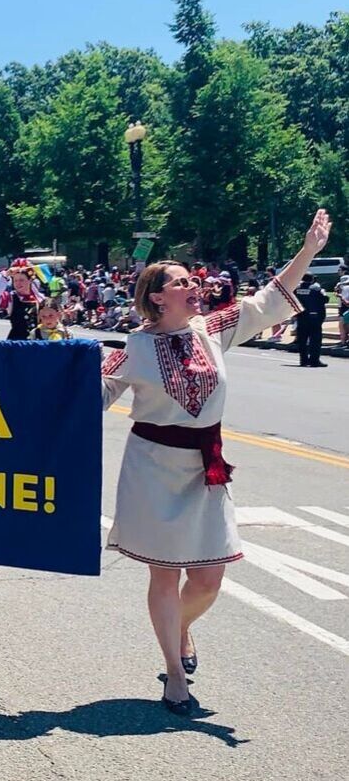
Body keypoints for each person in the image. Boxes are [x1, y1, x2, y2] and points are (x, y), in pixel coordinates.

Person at [100, 209, 330, 715]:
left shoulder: (212, 329)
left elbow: (269, 299)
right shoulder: (133, 347)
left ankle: (181, 628)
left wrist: (309, 249)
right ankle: (175, 674)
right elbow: (93, 395)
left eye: (193, 279)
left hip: (207, 469)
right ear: (157, 296)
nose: (194, 285)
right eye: (182, 282)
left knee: (207, 578)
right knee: (164, 574)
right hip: (153, 469)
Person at [293, 272, 328, 367]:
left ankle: (303, 360)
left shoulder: (296, 289)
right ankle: (314, 360)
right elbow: (325, 299)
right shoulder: (317, 288)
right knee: (315, 340)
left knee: (302, 340)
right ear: (312, 279)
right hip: (314, 317)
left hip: (301, 316)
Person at [2, 262, 43, 340]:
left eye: (21, 280)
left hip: (37, 344)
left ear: (30, 280)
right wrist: (6, 274)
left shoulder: (40, 299)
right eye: (15, 280)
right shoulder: (10, 298)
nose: (18, 283)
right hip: (17, 344)